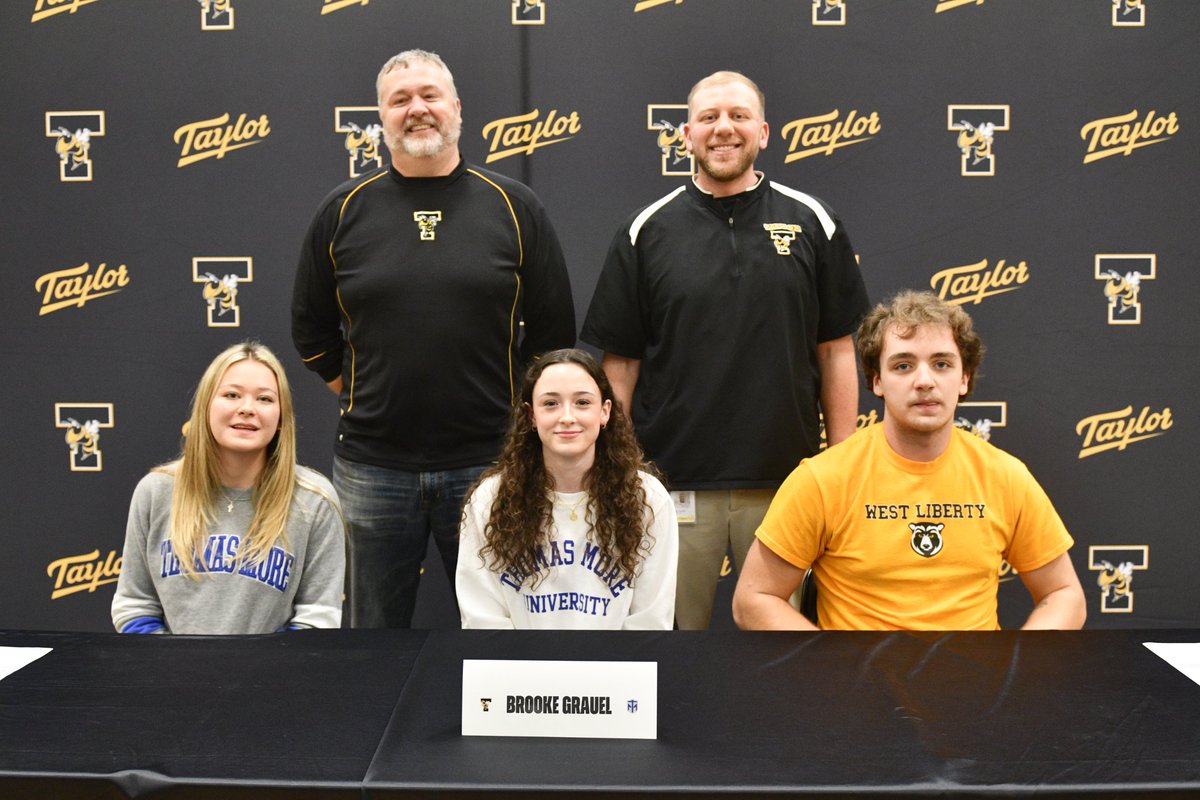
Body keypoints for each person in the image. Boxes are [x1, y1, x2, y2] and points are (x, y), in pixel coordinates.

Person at [291, 49, 576, 628]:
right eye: (400, 100)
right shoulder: (342, 209)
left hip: (490, 463)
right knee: (372, 635)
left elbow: (553, 343)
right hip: (372, 466)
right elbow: (310, 328)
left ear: (456, 108)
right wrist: (362, 392)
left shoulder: (515, 208)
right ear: (381, 116)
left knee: (504, 629)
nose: (417, 109)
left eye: (429, 96)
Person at [580, 70, 869, 629]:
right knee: (671, 646)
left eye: (738, 116)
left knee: (783, 657)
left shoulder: (814, 222)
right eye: (709, 117)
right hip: (673, 486)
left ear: (763, 132)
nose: (723, 129)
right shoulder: (645, 231)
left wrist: (840, 467)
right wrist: (621, 472)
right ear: (685, 135)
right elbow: (619, 368)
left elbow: (837, 353)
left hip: (788, 483)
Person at [733, 291, 1087, 630]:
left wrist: (1016, 667)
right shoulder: (823, 480)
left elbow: (1063, 594)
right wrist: (833, 666)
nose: (924, 381)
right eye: (903, 365)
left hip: (975, 686)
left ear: (963, 379)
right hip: (860, 685)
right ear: (877, 381)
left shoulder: (1005, 477)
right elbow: (754, 599)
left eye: (942, 364)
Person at [111, 342, 345, 635]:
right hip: (172, 674)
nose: (247, 409)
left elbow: (318, 616)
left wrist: (256, 669)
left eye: (264, 399)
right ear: (206, 405)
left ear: (281, 416)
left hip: (272, 677)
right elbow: (135, 605)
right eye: (231, 395)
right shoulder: (156, 492)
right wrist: (172, 665)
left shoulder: (314, 501)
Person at [456, 349, 677, 629]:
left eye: (583, 402)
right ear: (531, 415)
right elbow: (483, 619)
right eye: (551, 404)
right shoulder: (490, 499)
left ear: (605, 411)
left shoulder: (647, 498)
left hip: (614, 669)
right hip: (519, 668)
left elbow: (650, 620)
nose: (567, 417)